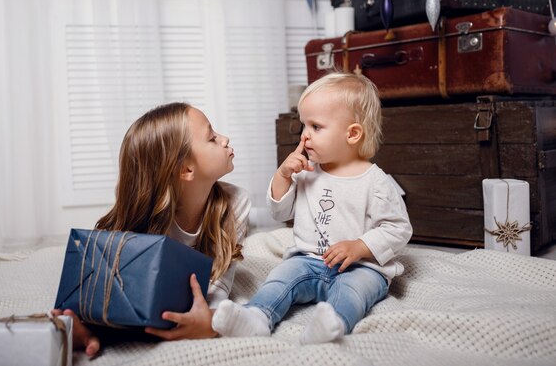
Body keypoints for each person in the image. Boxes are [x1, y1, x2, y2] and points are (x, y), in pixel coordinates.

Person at [212, 72, 412, 344]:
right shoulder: (306, 171)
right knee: (280, 278)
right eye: (304, 126)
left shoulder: (374, 181)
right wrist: (283, 177)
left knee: (353, 293)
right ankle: (257, 316)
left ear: (352, 134)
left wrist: (359, 246)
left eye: (316, 127)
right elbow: (280, 213)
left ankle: (332, 323)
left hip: (361, 267)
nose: (305, 136)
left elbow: (398, 228)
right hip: (307, 261)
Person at [53, 102, 251, 357]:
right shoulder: (140, 224)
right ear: (186, 170)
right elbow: (115, 292)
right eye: (212, 138)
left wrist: (210, 322)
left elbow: (219, 285)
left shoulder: (236, 203)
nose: (225, 139)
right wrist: (86, 324)